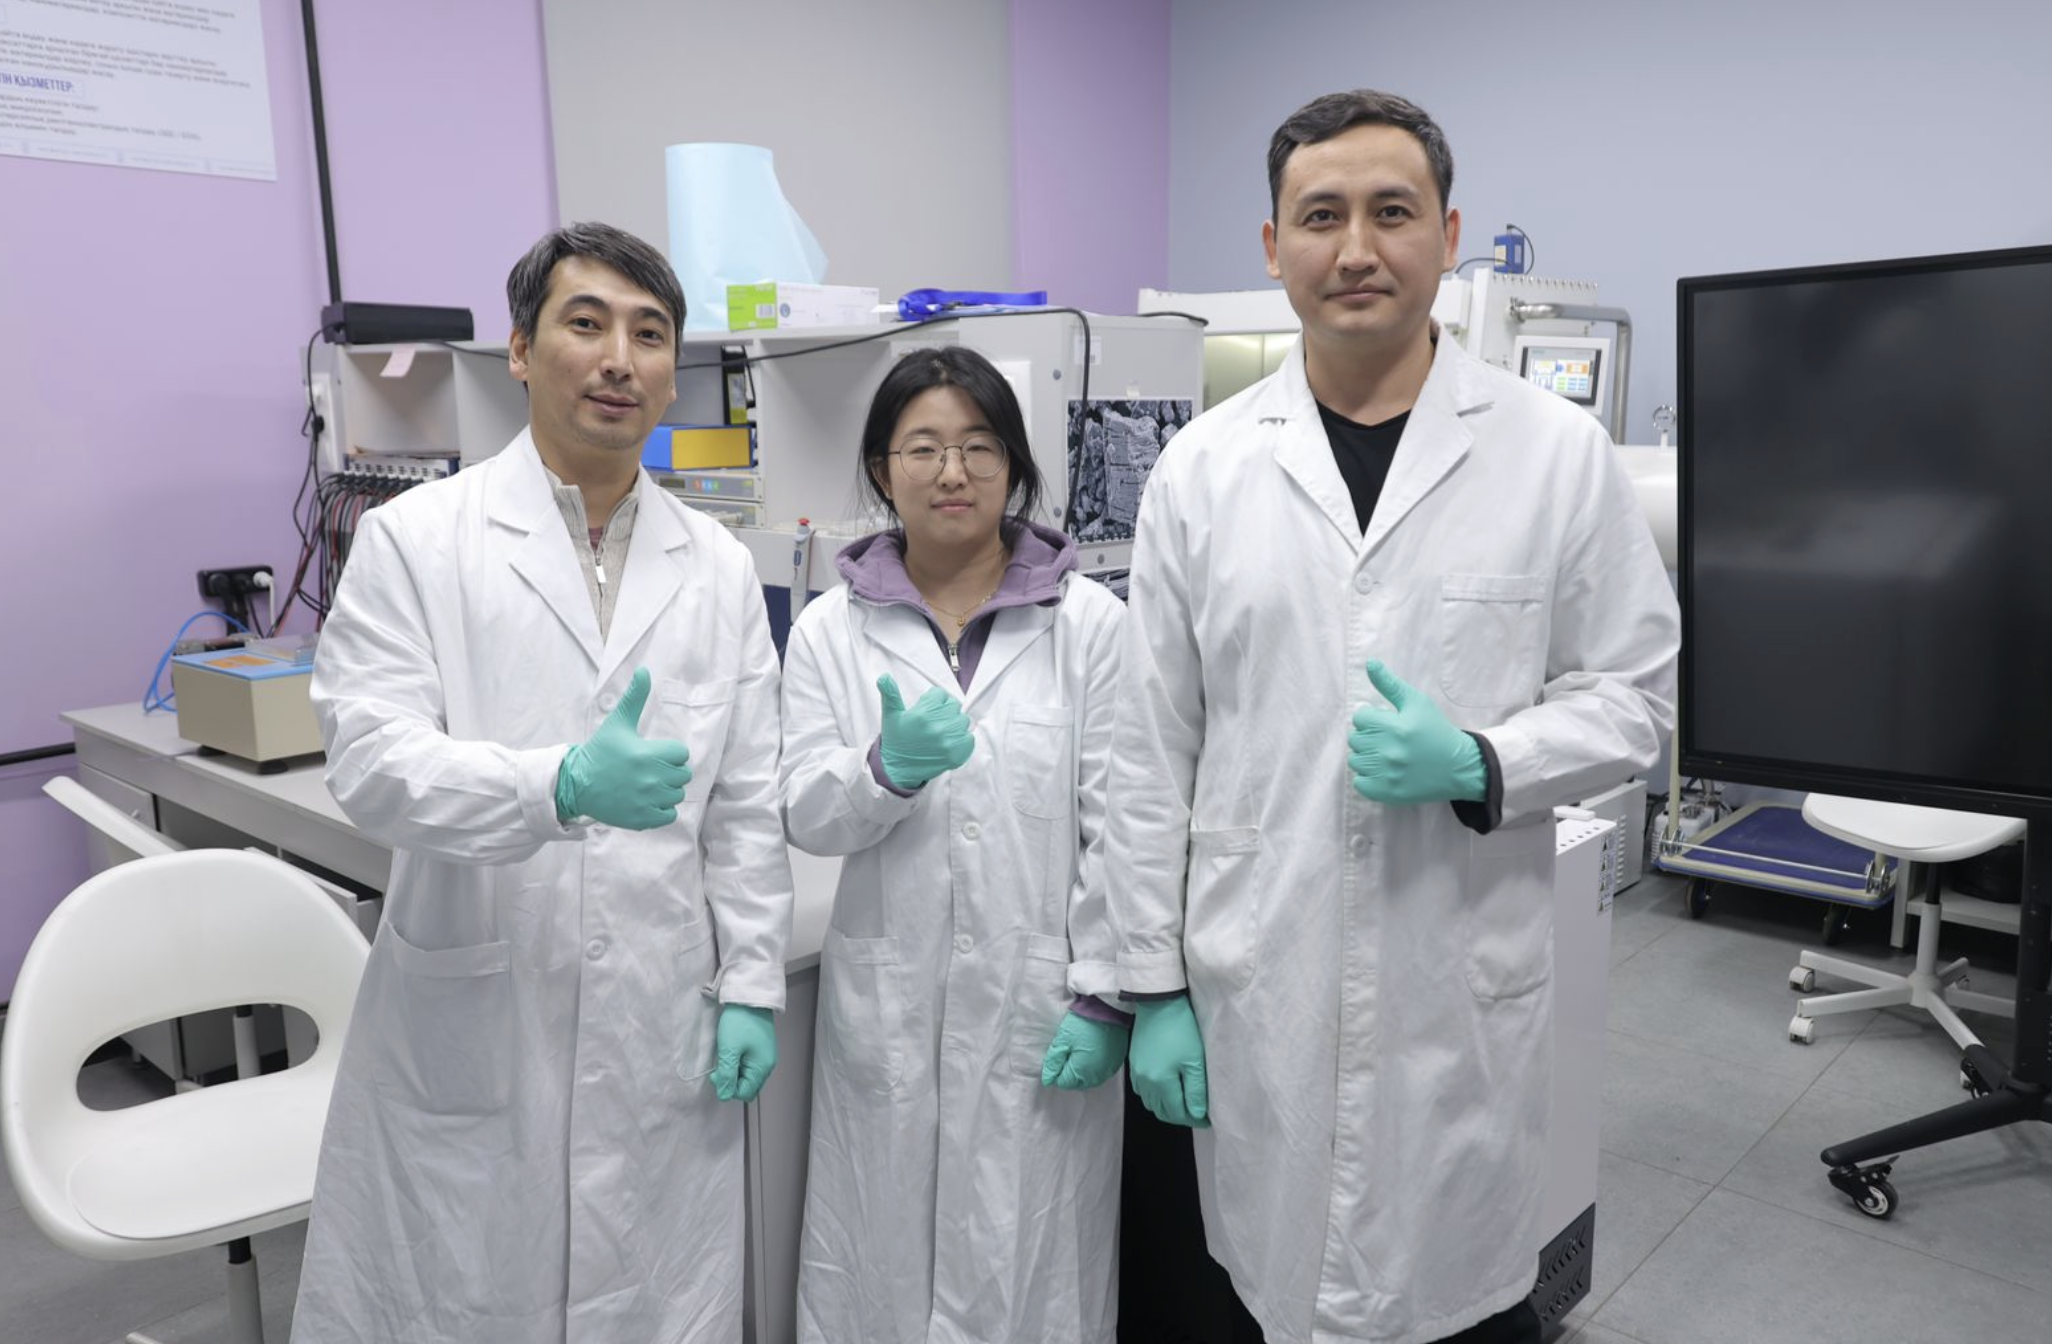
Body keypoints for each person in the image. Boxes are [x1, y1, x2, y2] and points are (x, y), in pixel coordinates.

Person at [1107, 90, 1680, 1344]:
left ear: (1448, 235)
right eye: (1322, 216)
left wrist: (1484, 760)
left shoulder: (1555, 453)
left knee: (1450, 1303)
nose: (1356, 247)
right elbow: (1149, 750)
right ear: (1275, 247)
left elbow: (1638, 700)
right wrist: (1149, 987)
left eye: (1392, 211)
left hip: (1454, 987)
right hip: (1260, 979)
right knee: (1266, 1290)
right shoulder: (1201, 471)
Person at [292, 221, 793, 1344]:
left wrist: (754, 982)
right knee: (467, 1295)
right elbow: (369, 763)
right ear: (520, 351)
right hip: (479, 1008)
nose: (620, 358)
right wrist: (554, 787)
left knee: (651, 1298)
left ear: (674, 370)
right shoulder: (419, 541)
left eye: (650, 334)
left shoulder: (718, 566)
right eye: (586, 323)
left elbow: (746, 804)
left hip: (661, 1008)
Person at [779, 346, 1128, 1344]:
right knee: (878, 1269)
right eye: (922, 448)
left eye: (979, 447)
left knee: (1030, 1271)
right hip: (887, 1006)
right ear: (882, 470)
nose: (952, 472)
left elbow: (1125, 821)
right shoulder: (829, 631)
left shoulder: (1090, 625)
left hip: (1040, 1005)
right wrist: (881, 772)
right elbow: (804, 808)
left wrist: (1107, 991)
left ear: (1013, 465)